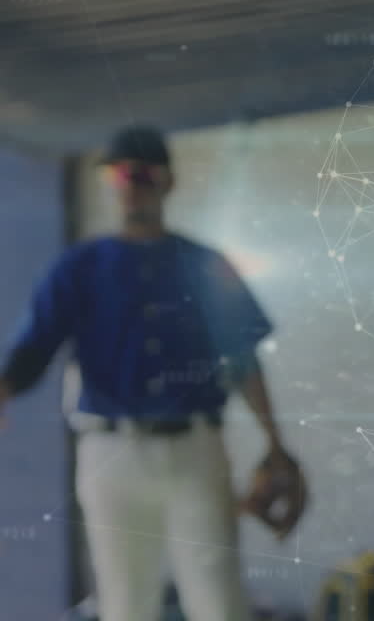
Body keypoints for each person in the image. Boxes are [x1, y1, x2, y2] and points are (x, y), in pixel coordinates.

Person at [0, 126, 306, 621]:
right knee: (124, 603)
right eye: (119, 173)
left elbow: (244, 359)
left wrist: (275, 444)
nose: (132, 184)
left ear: (168, 182)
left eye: (144, 173)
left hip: (195, 449)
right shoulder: (79, 268)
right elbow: (35, 346)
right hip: (110, 454)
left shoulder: (204, 263)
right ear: (107, 182)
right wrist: (4, 388)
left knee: (219, 601)